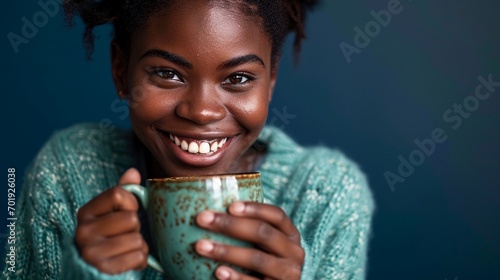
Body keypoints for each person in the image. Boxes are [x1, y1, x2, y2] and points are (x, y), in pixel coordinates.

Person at [2, 0, 374, 279]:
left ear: (271, 79)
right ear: (121, 71)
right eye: (167, 73)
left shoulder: (328, 192)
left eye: (239, 78)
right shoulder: (66, 171)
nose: (201, 111)